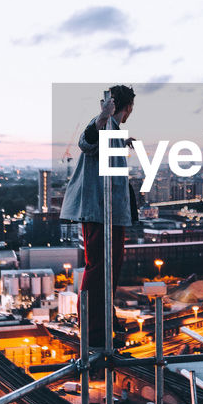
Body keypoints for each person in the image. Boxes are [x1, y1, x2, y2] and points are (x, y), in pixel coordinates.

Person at [59, 84, 137, 348]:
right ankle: (94, 334)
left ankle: (103, 324)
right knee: (100, 269)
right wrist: (103, 116)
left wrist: (119, 142)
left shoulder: (112, 130)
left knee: (108, 269)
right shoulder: (103, 124)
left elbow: (97, 147)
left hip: (108, 212)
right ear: (128, 107)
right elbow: (86, 142)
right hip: (100, 212)